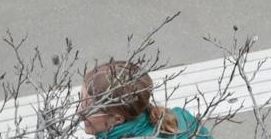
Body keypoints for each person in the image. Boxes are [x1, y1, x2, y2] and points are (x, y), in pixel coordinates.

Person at [78, 59, 214, 138]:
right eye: (80, 101)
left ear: (118, 119)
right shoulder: (181, 117)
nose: (78, 111)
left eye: (87, 107)